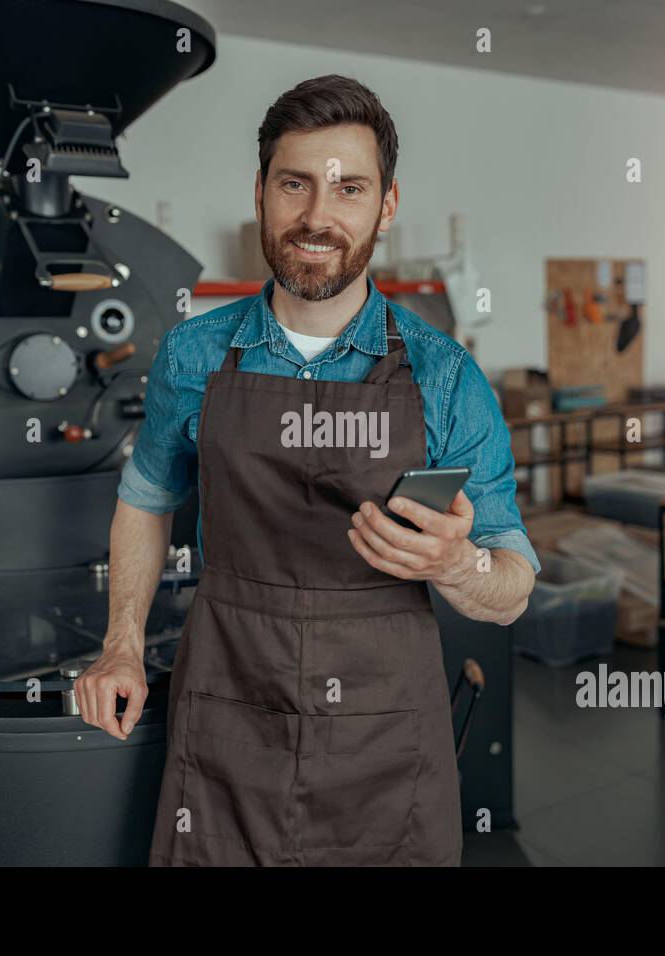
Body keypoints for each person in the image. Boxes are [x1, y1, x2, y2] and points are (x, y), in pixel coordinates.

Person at [76, 74, 538, 866]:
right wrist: (121, 644)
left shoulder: (445, 376)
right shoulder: (193, 354)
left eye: (349, 188)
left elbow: (514, 585)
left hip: (387, 731)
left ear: (387, 206)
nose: (318, 217)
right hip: (229, 708)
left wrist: (460, 565)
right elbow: (144, 502)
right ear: (260, 192)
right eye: (295, 184)